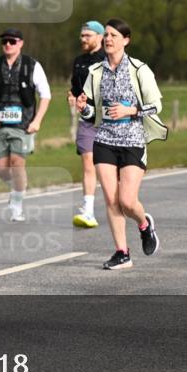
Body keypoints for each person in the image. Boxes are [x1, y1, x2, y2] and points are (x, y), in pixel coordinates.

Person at [76, 19, 167, 270]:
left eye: (114, 35)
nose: (108, 39)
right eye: (105, 35)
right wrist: (83, 107)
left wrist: (131, 109)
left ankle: (144, 224)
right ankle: (122, 253)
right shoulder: (95, 72)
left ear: (126, 40)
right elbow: (90, 113)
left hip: (133, 141)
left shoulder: (139, 69)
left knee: (127, 201)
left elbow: (157, 105)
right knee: (111, 199)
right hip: (104, 139)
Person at [0, 28, 51, 222]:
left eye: (12, 41)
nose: (8, 44)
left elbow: (45, 95)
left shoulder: (32, 65)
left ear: (20, 43)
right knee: (1, 169)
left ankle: (17, 205)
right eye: (4, 41)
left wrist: (37, 121)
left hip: (23, 125)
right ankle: (18, 186)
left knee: (18, 165)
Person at [69, 21, 106, 228]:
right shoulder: (79, 61)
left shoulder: (108, 60)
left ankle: (121, 203)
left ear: (100, 37)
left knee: (109, 167)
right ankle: (88, 210)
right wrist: (72, 97)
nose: (83, 39)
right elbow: (74, 88)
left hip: (109, 120)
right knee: (88, 162)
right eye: (82, 36)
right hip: (87, 120)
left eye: (88, 36)